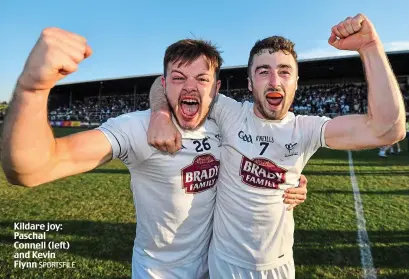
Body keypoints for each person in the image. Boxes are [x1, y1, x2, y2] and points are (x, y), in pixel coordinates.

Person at [0, 29, 308, 279]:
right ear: (164, 84)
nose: (190, 87)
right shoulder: (136, 130)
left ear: (216, 89)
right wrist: (32, 90)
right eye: (178, 78)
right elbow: (32, 168)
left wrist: (291, 180)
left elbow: (255, 154)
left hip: (215, 269)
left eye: (201, 79)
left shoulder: (222, 122)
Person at [148, 13, 406, 278]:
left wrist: (370, 46)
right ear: (249, 83)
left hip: (277, 267)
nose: (274, 81)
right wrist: (160, 114)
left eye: (285, 72)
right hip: (224, 263)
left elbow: (388, 129)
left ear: (296, 82)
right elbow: (162, 83)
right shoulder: (229, 112)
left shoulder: (306, 129)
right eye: (263, 72)